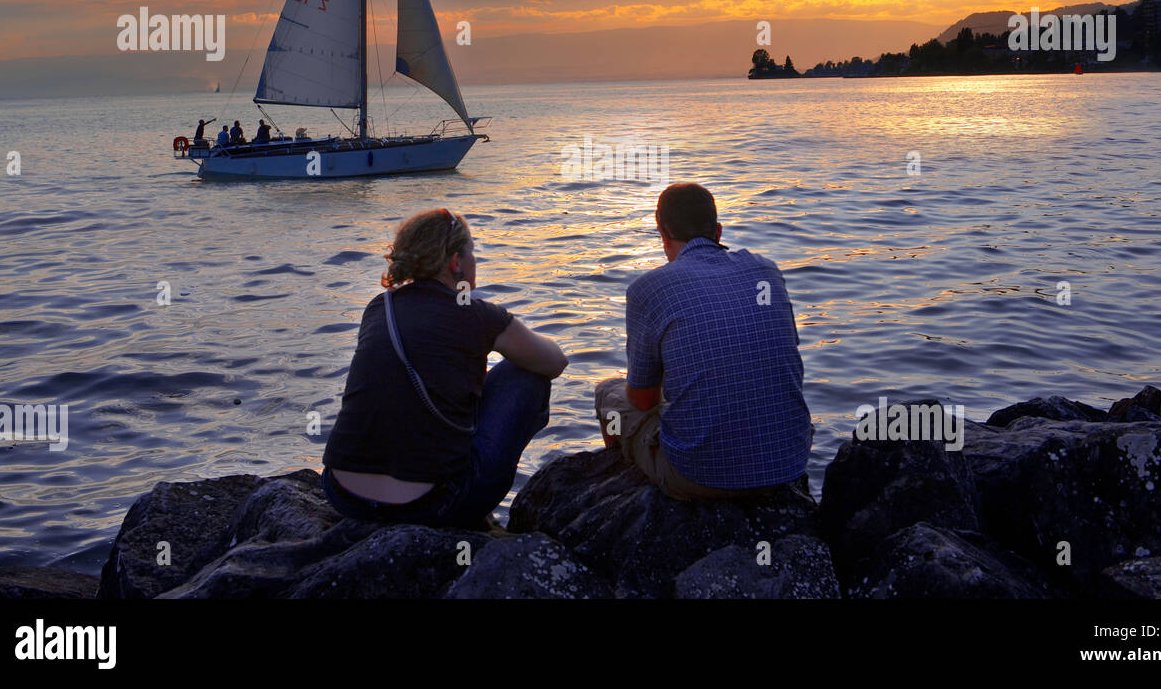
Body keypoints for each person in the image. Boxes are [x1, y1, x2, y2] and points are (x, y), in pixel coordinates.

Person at [322, 208, 567, 528]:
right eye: (473, 253)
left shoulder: (379, 308)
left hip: (343, 496)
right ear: (456, 263)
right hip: (432, 506)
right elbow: (554, 362)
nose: (475, 261)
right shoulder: (479, 315)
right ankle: (461, 500)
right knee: (525, 377)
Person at [594, 182, 812, 501]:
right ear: (718, 231)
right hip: (788, 463)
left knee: (606, 393)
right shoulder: (766, 270)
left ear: (663, 234)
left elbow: (642, 401)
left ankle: (616, 479)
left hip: (701, 477)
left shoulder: (648, 288)